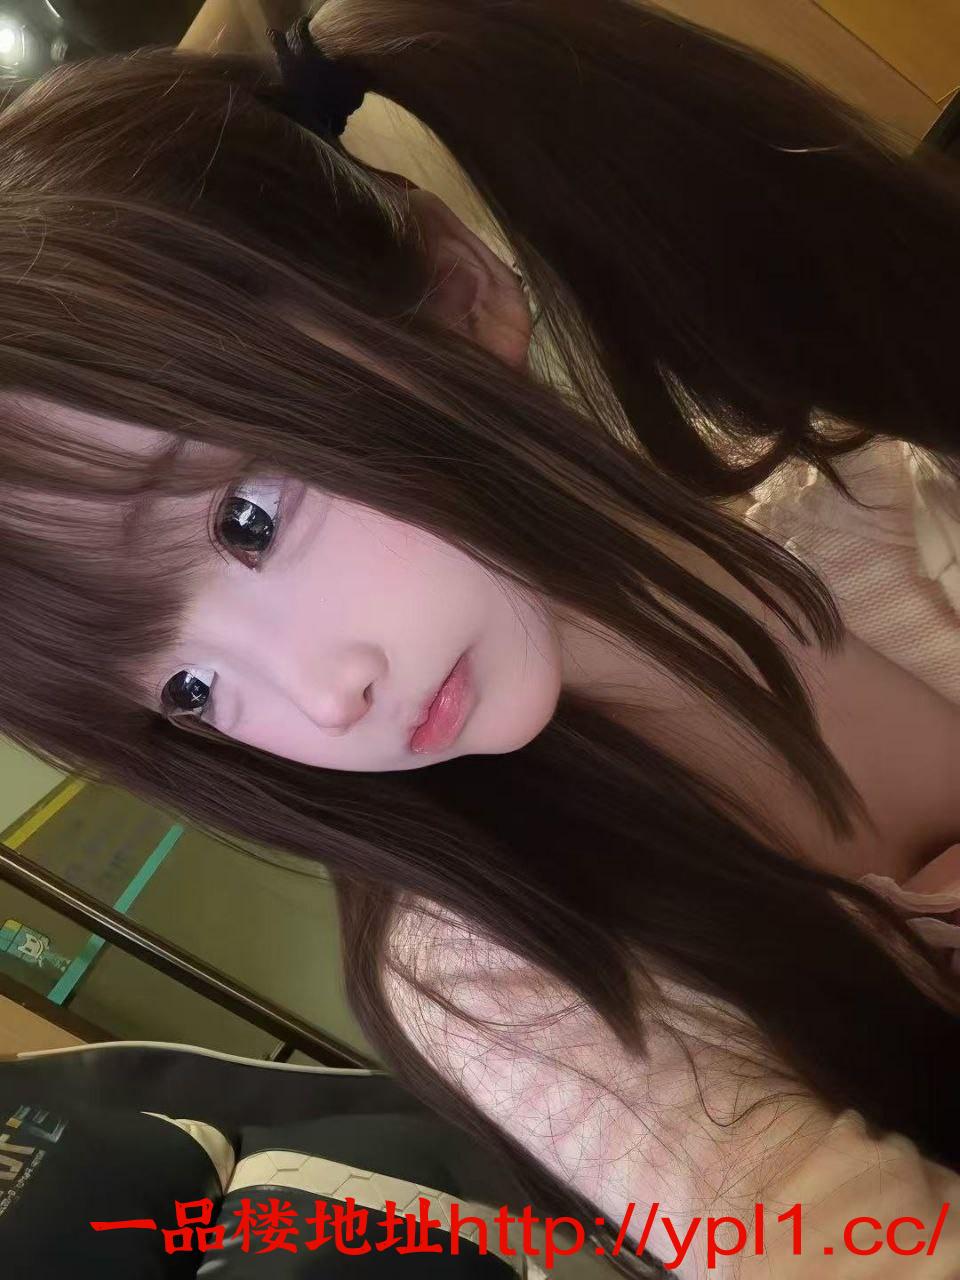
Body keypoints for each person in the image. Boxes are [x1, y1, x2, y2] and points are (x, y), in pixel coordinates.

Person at [0, 0, 959, 1273]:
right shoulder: (494, 968)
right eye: (186, 686)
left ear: (456, 295)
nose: (321, 697)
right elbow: (803, 1225)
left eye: (247, 521)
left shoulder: (882, 481)